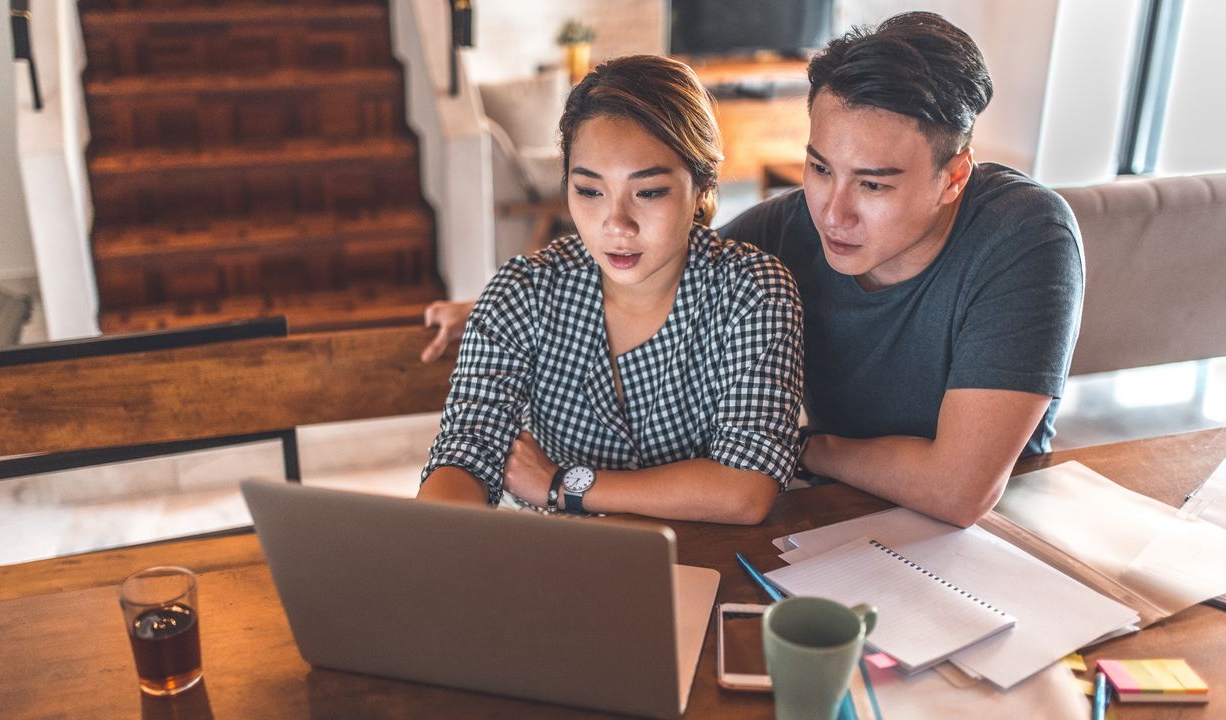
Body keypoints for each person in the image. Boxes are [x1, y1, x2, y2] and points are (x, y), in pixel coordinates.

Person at [420, 13, 1084, 528]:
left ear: (953, 177)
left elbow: (959, 490)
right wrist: (490, 309)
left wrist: (803, 449)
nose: (833, 212)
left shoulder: (1023, 234)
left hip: (993, 537)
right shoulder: (787, 230)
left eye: (874, 186)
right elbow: (652, 264)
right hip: (829, 522)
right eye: (820, 167)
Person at [416, 55, 804, 524]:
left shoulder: (753, 292)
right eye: (589, 191)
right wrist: (432, 543)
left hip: (713, 560)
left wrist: (563, 485)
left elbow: (746, 488)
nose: (616, 225)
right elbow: (466, 450)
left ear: (702, 186)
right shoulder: (522, 293)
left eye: (649, 192)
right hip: (566, 564)